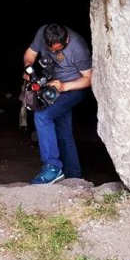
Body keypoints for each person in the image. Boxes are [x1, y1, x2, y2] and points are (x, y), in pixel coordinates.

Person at [23, 23, 93, 184]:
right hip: (52, 85)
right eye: (50, 50)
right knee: (63, 129)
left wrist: (64, 86)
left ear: (66, 40)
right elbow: (30, 53)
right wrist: (29, 69)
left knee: (43, 117)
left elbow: (89, 79)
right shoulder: (43, 32)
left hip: (73, 87)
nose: (53, 53)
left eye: (57, 50)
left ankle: (52, 167)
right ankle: (74, 176)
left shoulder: (78, 48)